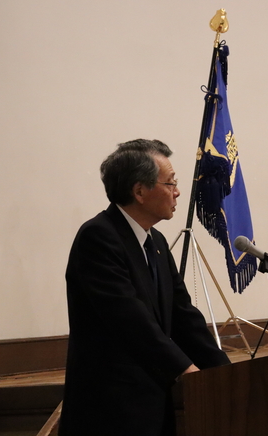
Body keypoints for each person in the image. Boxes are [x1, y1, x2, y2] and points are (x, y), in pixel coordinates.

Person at [59, 139, 230, 436]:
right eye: (170, 183)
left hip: (151, 406)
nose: (177, 192)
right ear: (139, 192)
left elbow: (183, 316)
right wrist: (185, 369)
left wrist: (225, 373)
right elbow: (129, 320)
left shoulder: (156, 242)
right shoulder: (98, 237)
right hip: (109, 411)